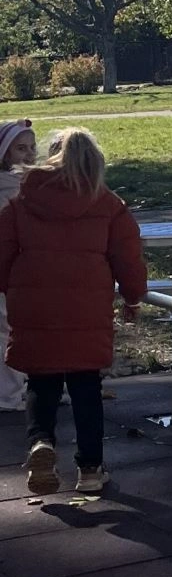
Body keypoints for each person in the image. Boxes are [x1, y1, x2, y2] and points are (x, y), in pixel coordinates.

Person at [0, 128, 147, 496]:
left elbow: (2, 254)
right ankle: (91, 469)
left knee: (41, 381)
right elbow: (128, 259)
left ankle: (41, 442)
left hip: (35, 306)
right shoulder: (109, 205)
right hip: (87, 308)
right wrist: (133, 298)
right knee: (86, 386)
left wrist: (13, 291)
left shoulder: (21, 202)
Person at [0, 119, 37, 412]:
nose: (29, 154)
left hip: (23, 270)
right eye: (20, 148)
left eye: (32, 147)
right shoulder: (8, 189)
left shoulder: (26, 185)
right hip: (8, 270)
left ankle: (18, 388)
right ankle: (8, 396)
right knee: (7, 330)